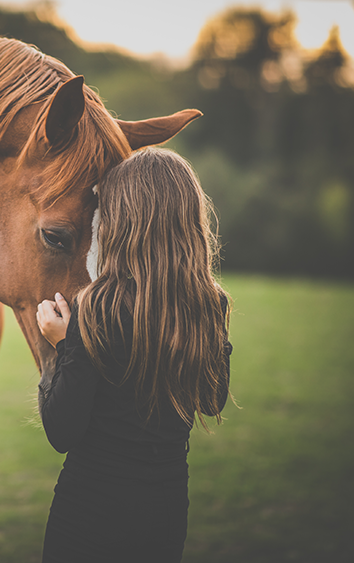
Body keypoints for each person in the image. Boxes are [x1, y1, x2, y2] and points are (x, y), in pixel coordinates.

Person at [35, 147, 233, 563]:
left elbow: (62, 431)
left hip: (89, 514)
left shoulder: (97, 307)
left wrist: (62, 345)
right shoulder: (208, 304)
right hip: (165, 512)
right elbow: (211, 400)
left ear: (122, 221)